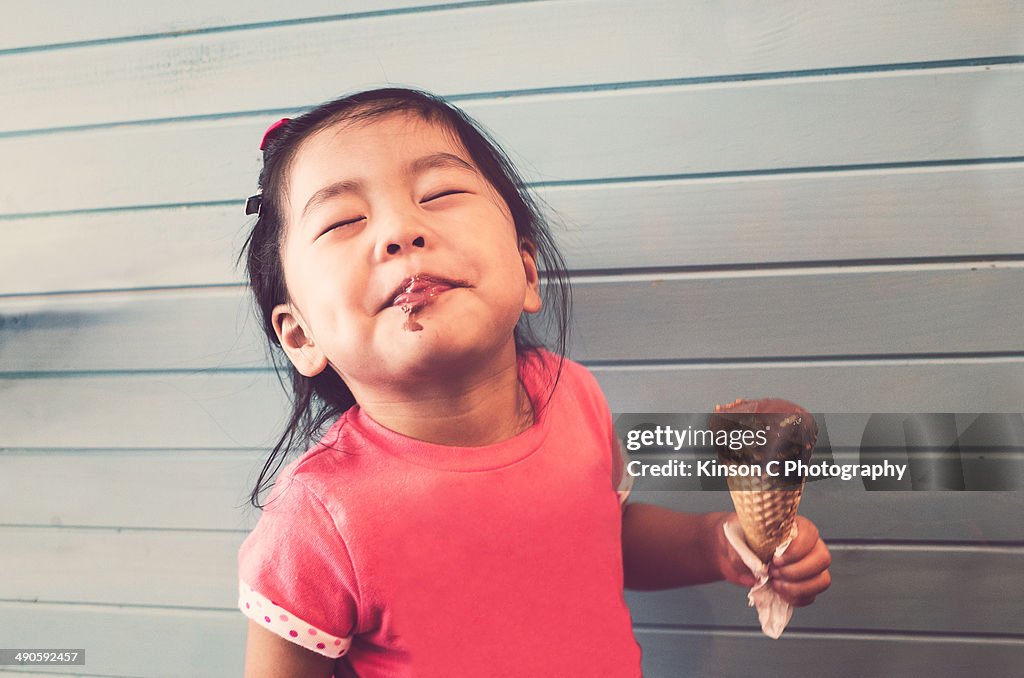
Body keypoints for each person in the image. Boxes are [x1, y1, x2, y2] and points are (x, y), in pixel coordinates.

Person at [235, 87, 831, 677]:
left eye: (438, 193)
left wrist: (717, 543)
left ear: (525, 271)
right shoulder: (318, 517)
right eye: (343, 220)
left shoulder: (573, 394)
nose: (399, 231)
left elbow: (600, 534)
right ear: (300, 336)